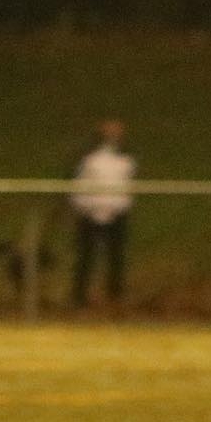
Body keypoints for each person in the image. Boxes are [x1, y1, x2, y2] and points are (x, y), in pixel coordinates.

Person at [69, 117, 135, 309]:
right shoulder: (91, 160)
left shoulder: (125, 162)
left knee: (116, 257)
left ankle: (115, 296)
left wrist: (122, 206)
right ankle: (79, 297)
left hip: (116, 212)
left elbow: (126, 188)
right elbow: (80, 186)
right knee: (86, 256)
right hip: (91, 212)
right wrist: (82, 207)